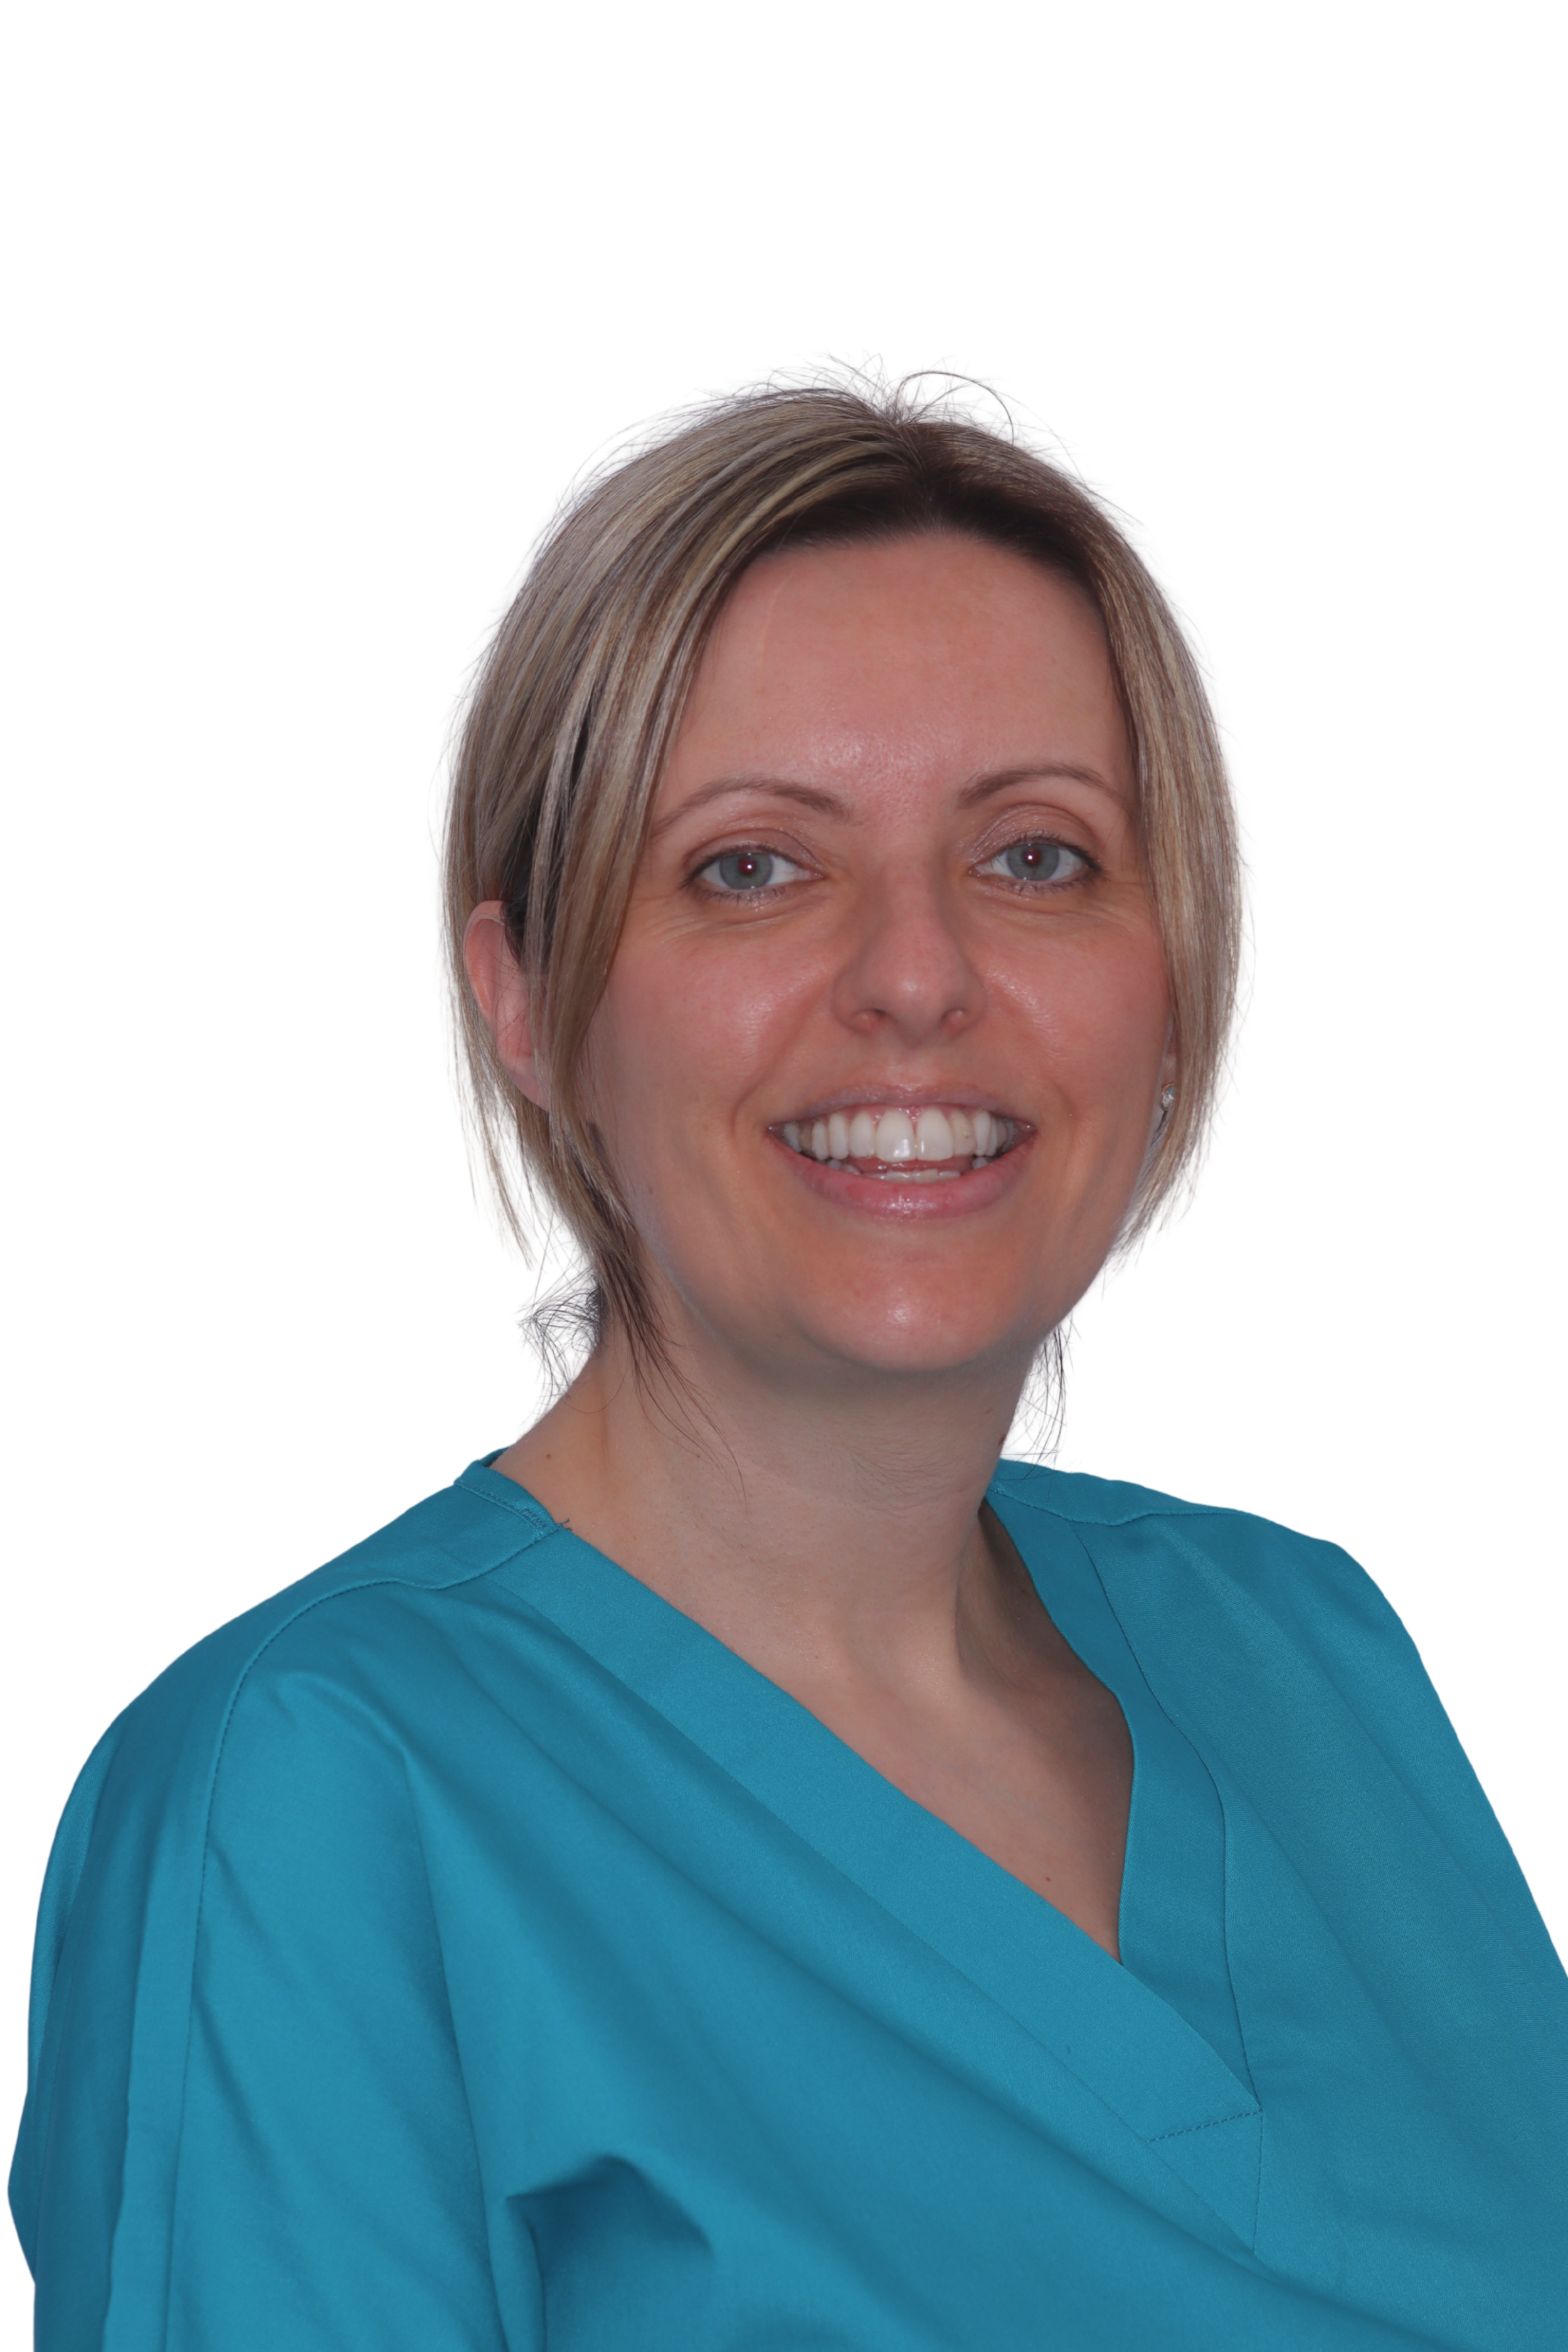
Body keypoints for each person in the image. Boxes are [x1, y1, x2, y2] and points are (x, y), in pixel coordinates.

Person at [10, 384, 1565, 2349]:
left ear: (1169, 974)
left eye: (1035, 855)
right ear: (527, 999)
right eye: (753, 866)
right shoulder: (316, 1796)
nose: (914, 975)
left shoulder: (1301, 1652)